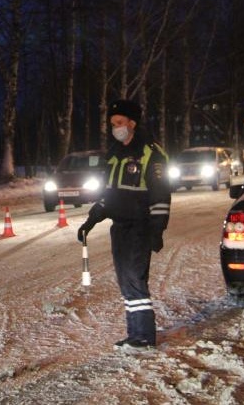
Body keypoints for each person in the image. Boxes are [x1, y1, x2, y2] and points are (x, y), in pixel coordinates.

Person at [77, 99, 171, 349]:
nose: (115, 128)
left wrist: (157, 229)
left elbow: (160, 195)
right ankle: (134, 333)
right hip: (119, 227)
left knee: (135, 279)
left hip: (140, 226)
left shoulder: (151, 153)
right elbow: (110, 195)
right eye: (112, 124)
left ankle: (144, 335)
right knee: (125, 280)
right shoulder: (114, 155)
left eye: (119, 123)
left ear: (132, 123)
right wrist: (91, 219)